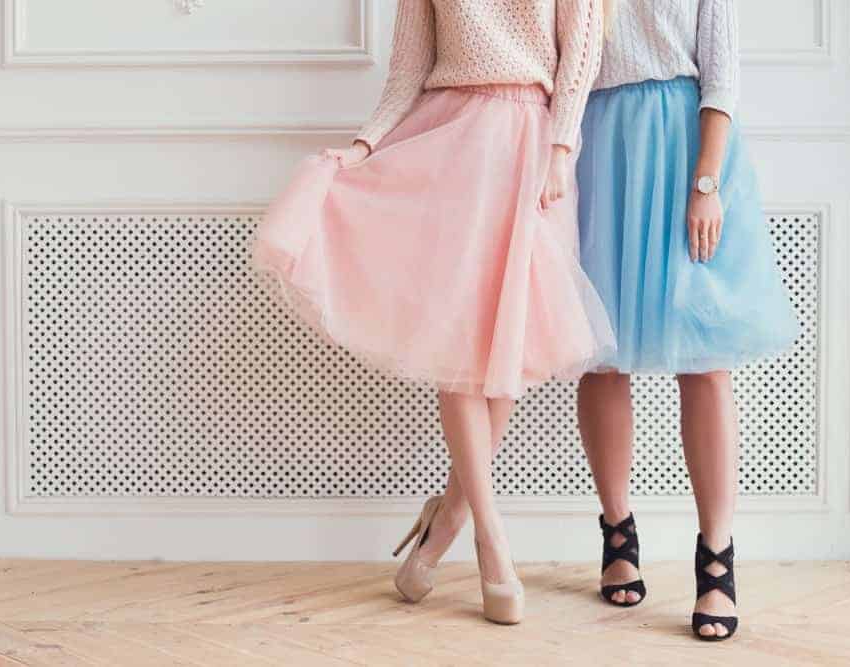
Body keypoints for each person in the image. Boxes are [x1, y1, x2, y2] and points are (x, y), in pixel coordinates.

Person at [253, 0, 611, 624]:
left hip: (533, 141)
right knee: (461, 338)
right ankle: (490, 540)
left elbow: (580, 53)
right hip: (450, 142)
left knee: (510, 342)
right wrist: (365, 147)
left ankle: (447, 514)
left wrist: (561, 146)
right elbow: (407, 72)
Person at [573, 0, 800, 641]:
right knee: (601, 351)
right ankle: (617, 531)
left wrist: (706, 181)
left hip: (684, 149)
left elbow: (721, 74)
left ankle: (717, 559)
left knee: (704, 358)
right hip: (598, 149)